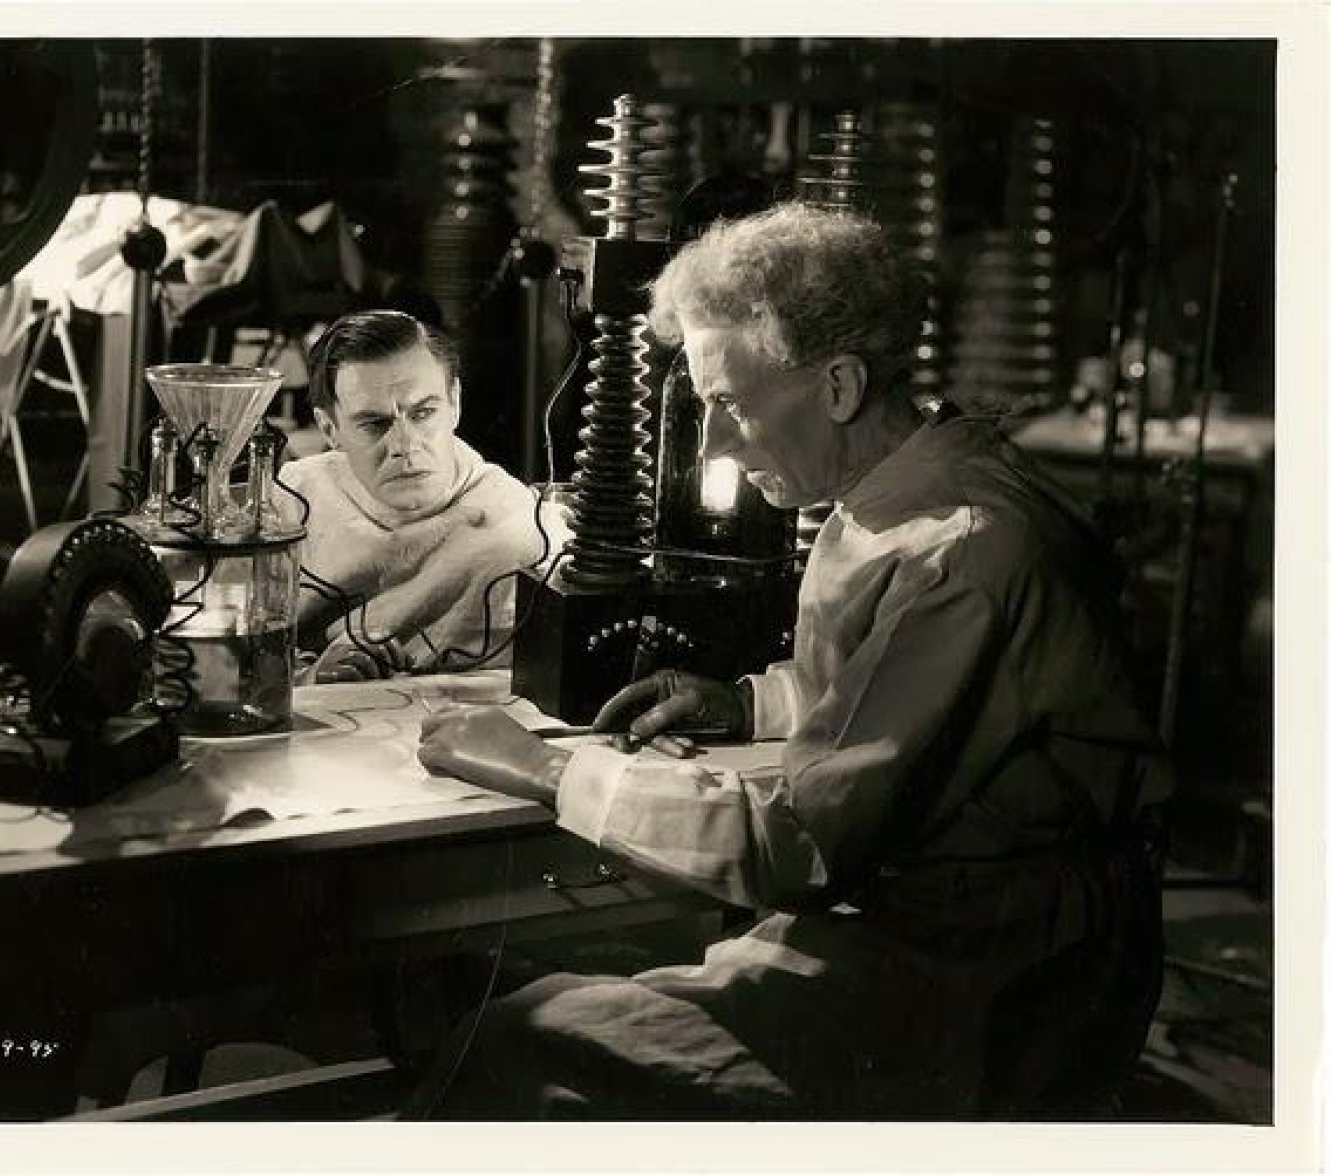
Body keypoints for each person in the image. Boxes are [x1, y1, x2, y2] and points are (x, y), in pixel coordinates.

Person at [412, 203, 1171, 1120]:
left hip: (992, 974)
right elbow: (897, 691)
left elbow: (801, 845)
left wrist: (545, 770)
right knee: (536, 1003)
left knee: (518, 1040)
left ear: (840, 385)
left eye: (730, 404)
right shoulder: (909, 486)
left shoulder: (958, 548)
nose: (713, 444)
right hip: (946, 922)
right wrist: (749, 706)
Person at [276, 309, 560, 680]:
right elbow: (231, 662)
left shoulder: (523, 531)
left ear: (455, 403)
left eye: (423, 413)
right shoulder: (295, 496)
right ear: (330, 429)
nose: (404, 445)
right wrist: (309, 677)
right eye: (374, 424)